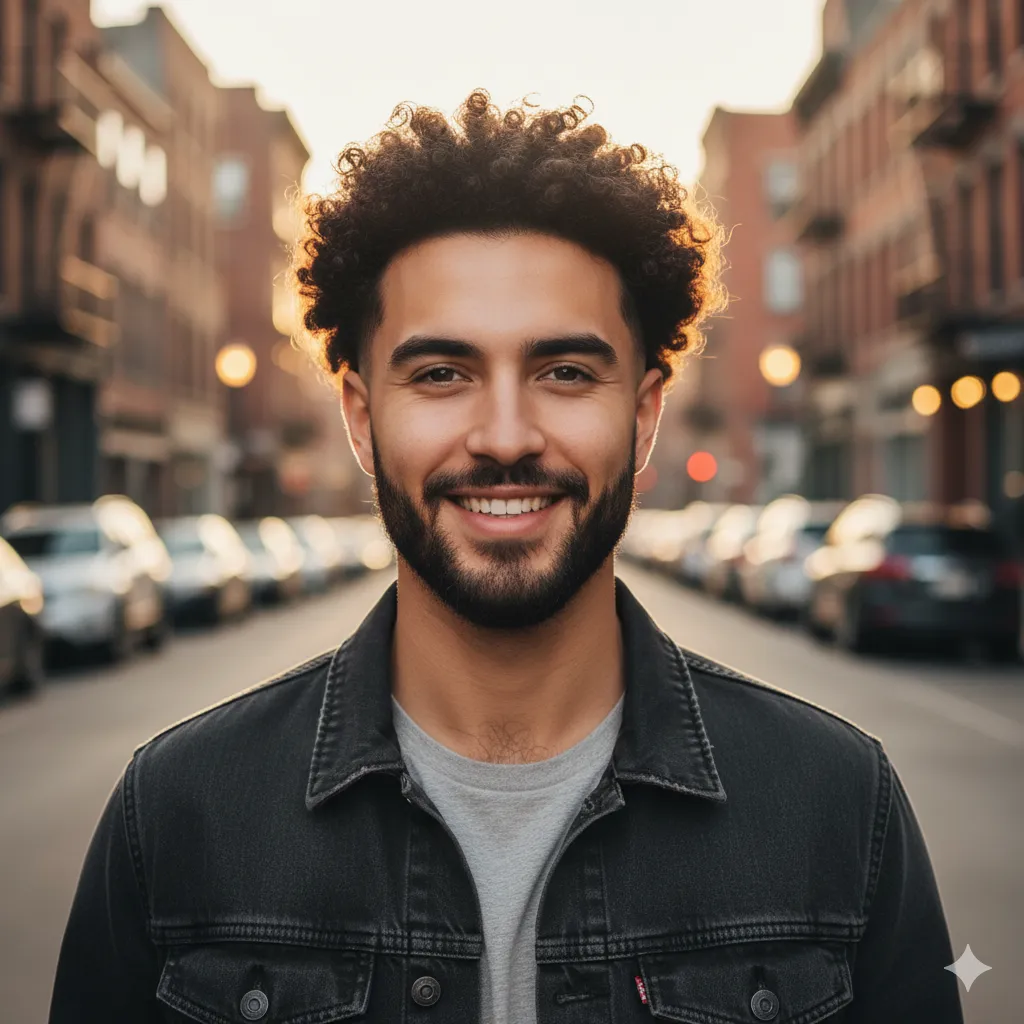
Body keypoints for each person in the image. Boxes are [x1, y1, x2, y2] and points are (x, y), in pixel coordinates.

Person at [50, 91, 963, 1024]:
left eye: (565, 372)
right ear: (361, 418)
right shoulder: (175, 815)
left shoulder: (839, 807)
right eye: (441, 374)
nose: (504, 437)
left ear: (644, 415)